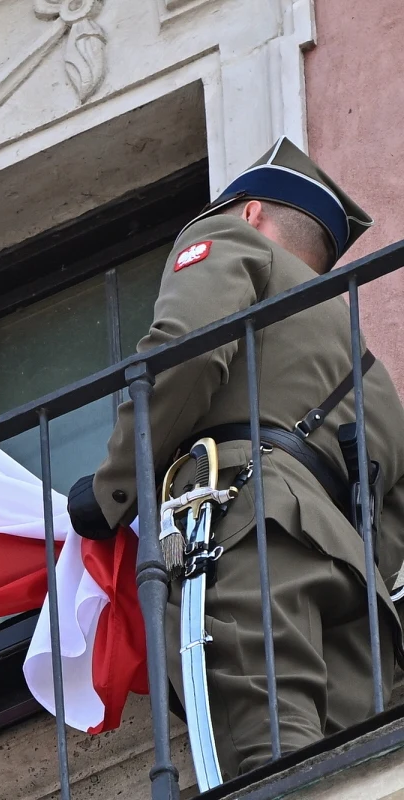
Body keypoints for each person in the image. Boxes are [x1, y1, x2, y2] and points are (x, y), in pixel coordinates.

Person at [66, 136, 404, 778]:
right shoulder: (373, 375)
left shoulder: (232, 245)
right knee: (355, 774)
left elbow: (184, 352)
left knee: (265, 753)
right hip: (360, 596)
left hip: (247, 526)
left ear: (249, 214)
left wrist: (114, 490)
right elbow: (394, 528)